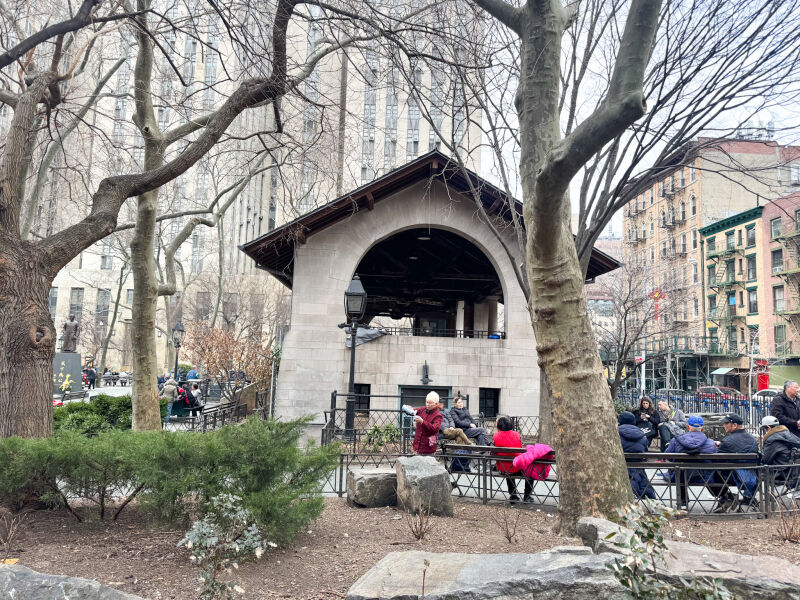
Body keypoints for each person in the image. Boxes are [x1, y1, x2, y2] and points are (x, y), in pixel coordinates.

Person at [665, 415, 719, 509]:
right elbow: (715, 461)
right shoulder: (710, 443)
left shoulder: (676, 440)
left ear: (688, 427)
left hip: (681, 477)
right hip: (705, 477)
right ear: (703, 428)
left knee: (680, 470)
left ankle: (682, 501)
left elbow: (668, 456)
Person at [713, 413, 759, 512]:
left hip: (730, 477)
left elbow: (717, 460)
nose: (724, 425)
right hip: (752, 475)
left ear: (734, 425)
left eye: (726, 423)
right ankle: (748, 496)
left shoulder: (727, 441)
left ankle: (726, 496)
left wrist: (720, 446)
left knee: (711, 473)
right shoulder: (753, 440)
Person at [617, 411, 656, 500]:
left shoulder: (615, 433)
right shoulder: (642, 434)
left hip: (622, 466)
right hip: (638, 467)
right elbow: (645, 449)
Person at [493, 416, 526, 503]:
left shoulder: (496, 436)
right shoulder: (517, 434)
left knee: (508, 468)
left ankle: (513, 495)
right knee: (527, 470)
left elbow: (492, 453)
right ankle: (527, 496)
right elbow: (522, 449)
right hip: (518, 467)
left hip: (503, 469)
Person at [761, 415, 800, 488]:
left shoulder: (771, 439)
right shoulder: (789, 435)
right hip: (794, 471)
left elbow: (765, 460)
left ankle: (754, 496)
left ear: (769, 428)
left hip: (780, 472)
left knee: (756, 470)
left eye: (764, 429)